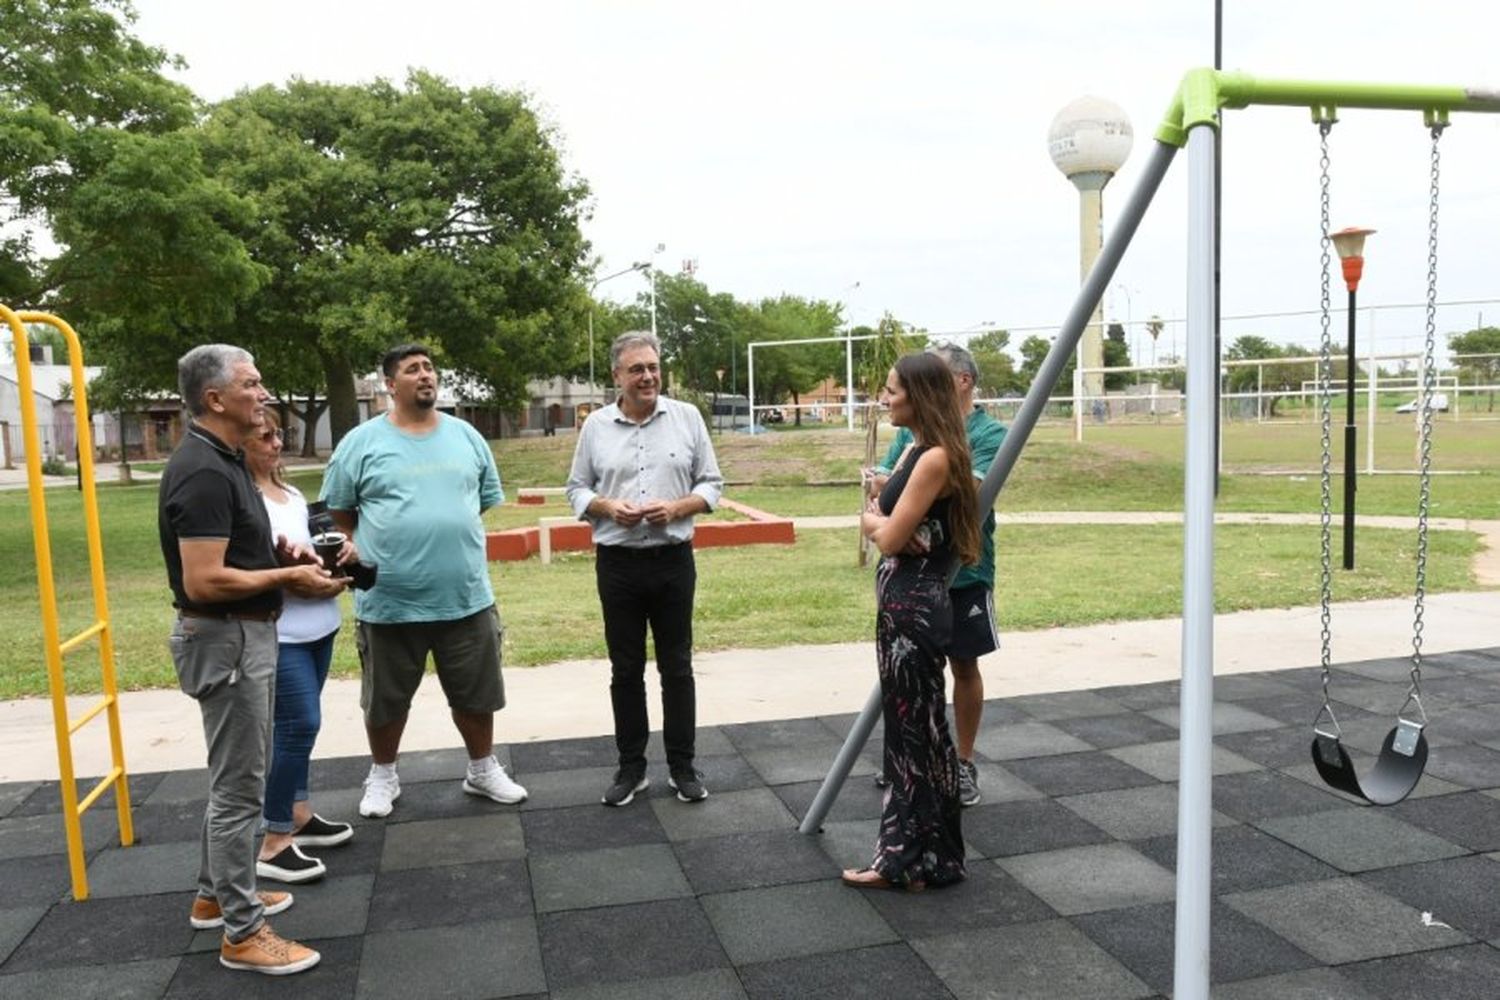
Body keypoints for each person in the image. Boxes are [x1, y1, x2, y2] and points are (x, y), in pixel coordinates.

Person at [160, 344, 343, 975]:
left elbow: (234, 550)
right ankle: (242, 931)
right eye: (251, 383)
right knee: (240, 790)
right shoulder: (206, 471)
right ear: (215, 399)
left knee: (233, 780)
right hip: (228, 638)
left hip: (241, 635)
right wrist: (287, 574)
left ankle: (217, 897)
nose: (262, 391)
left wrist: (277, 552)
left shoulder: (225, 459)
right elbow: (205, 579)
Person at [321, 343, 526, 818]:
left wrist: (437, 526)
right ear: (390, 385)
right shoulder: (361, 442)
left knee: (476, 695)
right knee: (385, 700)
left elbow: (479, 500)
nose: (425, 375)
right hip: (389, 600)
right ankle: (383, 776)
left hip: (465, 596)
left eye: (430, 367)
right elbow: (339, 513)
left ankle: (482, 770)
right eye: (412, 370)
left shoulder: (466, 437)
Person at [565, 332, 723, 807]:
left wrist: (676, 509)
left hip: (673, 561)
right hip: (618, 565)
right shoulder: (595, 426)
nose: (648, 376)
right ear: (617, 375)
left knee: (678, 667)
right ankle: (631, 768)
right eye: (636, 369)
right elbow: (575, 488)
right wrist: (607, 507)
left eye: (653, 367)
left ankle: (682, 766)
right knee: (625, 669)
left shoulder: (687, 418)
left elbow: (712, 484)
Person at [843, 351, 980, 892]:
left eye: (893, 390)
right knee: (916, 733)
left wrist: (870, 520)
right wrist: (884, 499)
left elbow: (893, 537)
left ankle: (900, 859)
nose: (884, 398)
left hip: (912, 612)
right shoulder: (919, 452)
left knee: (912, 740)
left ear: (919, 395)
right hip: (903, 607)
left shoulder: (934, 459)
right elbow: (901, 515)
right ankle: (933, 857)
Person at [870, 341, 1005, 806]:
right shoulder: (910, 439)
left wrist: (899, 515)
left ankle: (961, 764)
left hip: (963, 569)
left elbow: (973, 489)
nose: (889, 399)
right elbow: (878, 493)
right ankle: (908, 759)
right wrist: (891, 515)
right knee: (907, 675)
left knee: (962, 664)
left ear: (960, 382)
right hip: (910, 573)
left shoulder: (980, 436)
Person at [244, 410, 356, 884]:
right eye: (264, 435)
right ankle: (273, 841)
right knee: (298, 725)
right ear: (240, 442)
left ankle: (300, 813)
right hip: (282, 632)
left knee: (302, 729)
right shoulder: (243, 500)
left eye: (279, 434)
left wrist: (343, 550)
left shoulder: (290, 494)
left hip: (320, 626)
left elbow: (316, 547)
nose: (276, 443)